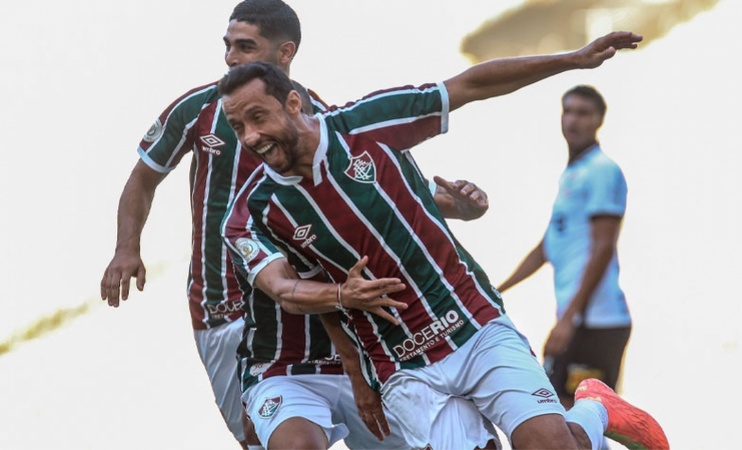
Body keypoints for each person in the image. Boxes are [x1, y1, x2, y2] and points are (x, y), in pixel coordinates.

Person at [219, 30, 669, 450]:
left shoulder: (366, 124)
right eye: (239, 127)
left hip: (472, 323)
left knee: (549, 444)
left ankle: (595, 409)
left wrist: (571, 60)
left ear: (293, 103)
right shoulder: (253, 210)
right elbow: (286, 289)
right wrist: (353, 356)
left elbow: (469, 85)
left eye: (259, 117)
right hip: (400, 365)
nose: (252, 136)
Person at [99, 0, 491, 448]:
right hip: (223, 309)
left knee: (396, 435)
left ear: (285, 53)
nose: (230, 57)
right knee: (262, 439)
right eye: (227, 46)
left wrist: (456, 206)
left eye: (245, 47)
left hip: (322, 306)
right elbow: (143, 177)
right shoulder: (198, 108)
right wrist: (126, 247)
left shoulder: (324, 121)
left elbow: (389, 200)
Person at [497, 85, 632, 411]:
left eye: (583, 113)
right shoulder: (573, 173)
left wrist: (569, 320)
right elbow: (546, 248)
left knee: (577, 416)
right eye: (568, 111)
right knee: (560, 412)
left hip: (596, 323)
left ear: (599, 119)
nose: (572, 120)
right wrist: (495, 290)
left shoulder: (602, 170)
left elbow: (602, 249)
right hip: (575, 321)